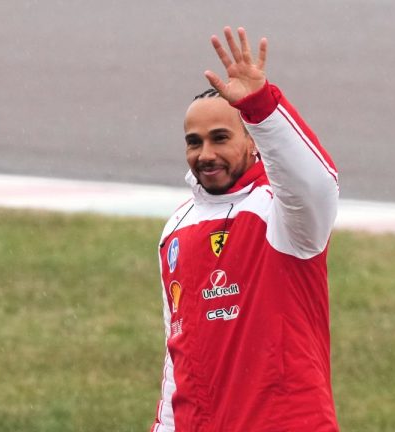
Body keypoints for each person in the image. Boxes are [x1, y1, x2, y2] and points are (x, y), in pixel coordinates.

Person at [152, 26, 340, 432]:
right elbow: (176, 360)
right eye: (194, 142)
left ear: (253, 140)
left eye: (220, 138)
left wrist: (262, 108)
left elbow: (317, 182)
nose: (205, 154)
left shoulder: (284, 213)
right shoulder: (176, 230)